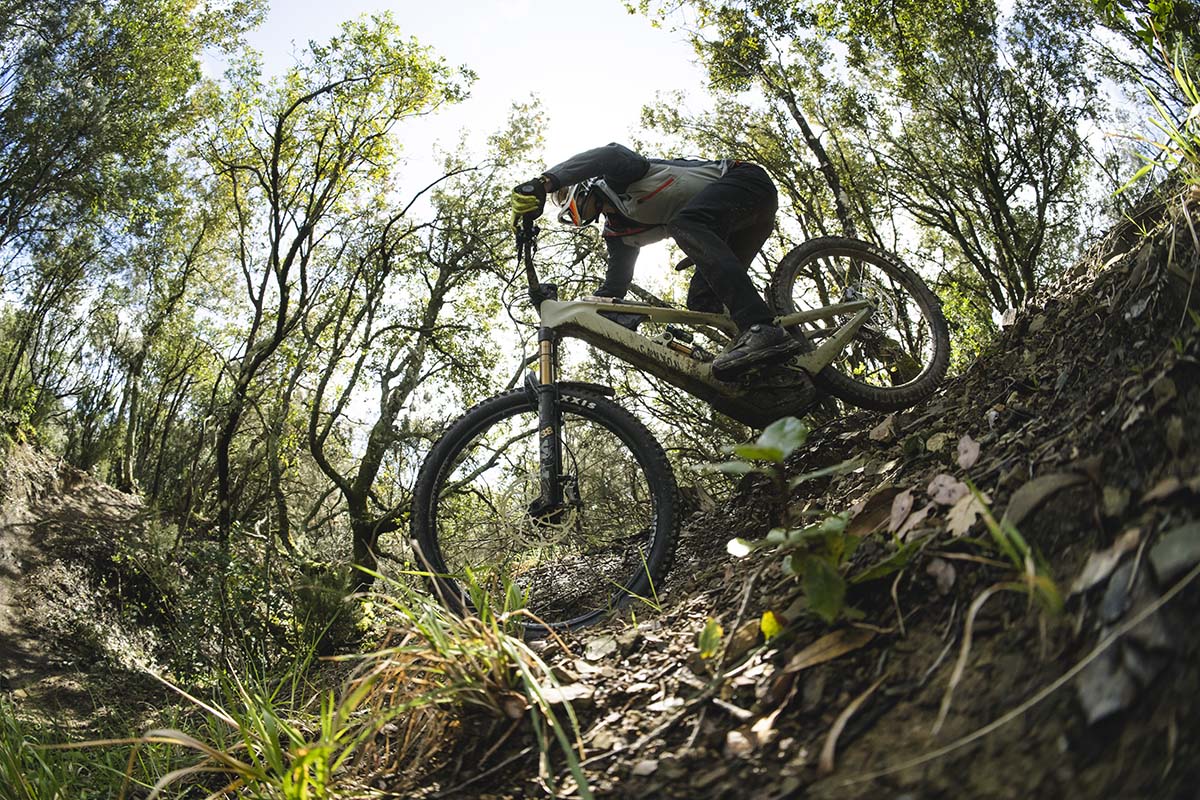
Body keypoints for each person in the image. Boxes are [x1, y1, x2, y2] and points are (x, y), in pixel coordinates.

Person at [511, 143, 805, 381]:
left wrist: (546, 182)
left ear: (583, 186)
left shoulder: (621, 176)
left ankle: (761, 328)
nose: (568, 208)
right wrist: (575, 311)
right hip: (732, 226)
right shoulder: (618, 234)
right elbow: (614, 290)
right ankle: (782, 361)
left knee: (684, 224)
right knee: (702, 302)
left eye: (565, 197)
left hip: (746, 182)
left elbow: (609, 154)